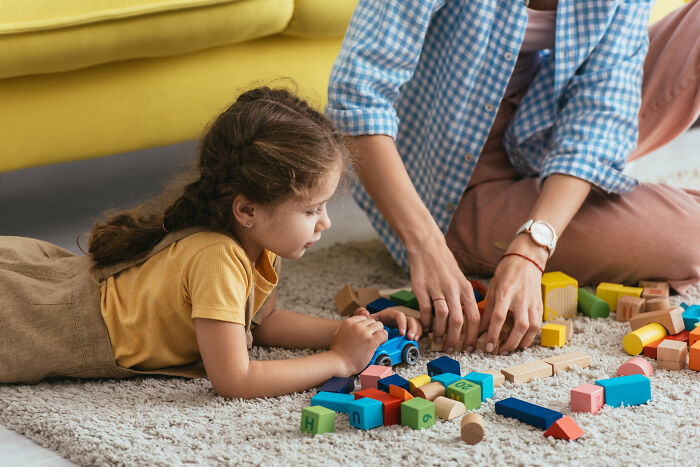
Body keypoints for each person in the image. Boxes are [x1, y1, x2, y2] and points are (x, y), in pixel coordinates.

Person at [326, 0, 700, 356]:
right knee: (690, 236)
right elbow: (358, 98)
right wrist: (426, 244)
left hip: (542, 115)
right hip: (452, 182)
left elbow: (598, 121)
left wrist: (532, 247)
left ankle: (587, 204)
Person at [0, 86, 423, 397]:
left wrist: (351, 332)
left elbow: (261, 323)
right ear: (247, 210)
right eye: (312, 210)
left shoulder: (259, 241)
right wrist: (340, 360)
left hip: (60, 291)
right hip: (33, 318)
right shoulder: (217, 259)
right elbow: (234, 380)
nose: (326, 223)